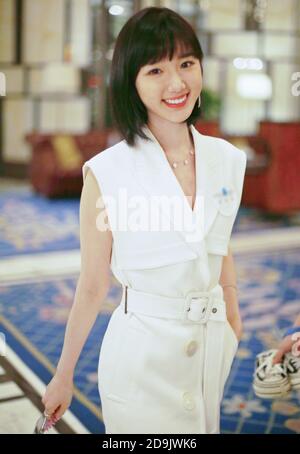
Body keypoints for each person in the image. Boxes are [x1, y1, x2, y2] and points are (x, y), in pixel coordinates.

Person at [42, 7, 247, 434]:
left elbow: (216, 239)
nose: (177, 84)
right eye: (155, 70)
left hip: (210, 350)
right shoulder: (107, 173)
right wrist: (64, 375)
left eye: (187, 64)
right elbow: (93, 284)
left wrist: (232, 311)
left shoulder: (227, 160)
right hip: (141, 361)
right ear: (131, 82)